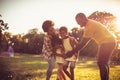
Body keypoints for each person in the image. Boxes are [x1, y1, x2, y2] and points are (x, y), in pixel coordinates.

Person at [66, 13, 117, 80]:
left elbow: (83, 43)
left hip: (107, 42)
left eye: (78, 21)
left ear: (83, 18)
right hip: (109, 42)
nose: (78, 24)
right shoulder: (89, 24)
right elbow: (82, 42)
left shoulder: (89, 26)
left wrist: (71, 52)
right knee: (103, 63)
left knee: (101, 63)